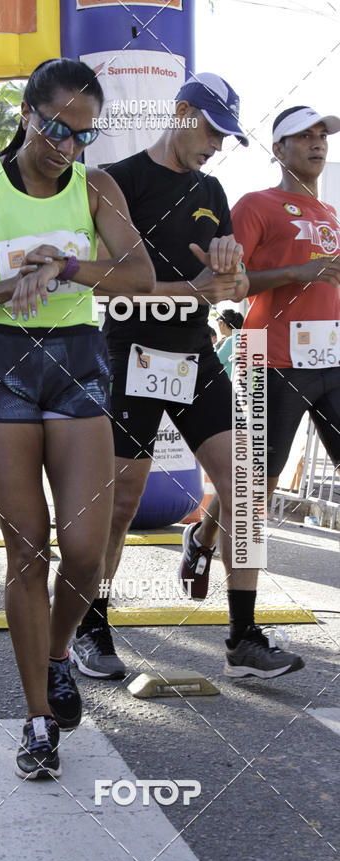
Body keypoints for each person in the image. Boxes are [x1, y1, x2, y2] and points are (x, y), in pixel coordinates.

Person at [0, 57, 155, 779]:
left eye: (83, 134)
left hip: (77, 360)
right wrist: (9, 285)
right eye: (55, 128)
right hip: (1, 365)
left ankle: (57, 654)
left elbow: (140, 276)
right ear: (27, 114)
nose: (67, 145)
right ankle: (38, 718)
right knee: (28, 548)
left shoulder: (96, 186)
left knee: (84, 549)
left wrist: (67, 268)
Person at [67, 72, 304, 682]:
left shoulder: (213, 189)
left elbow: (231, 282)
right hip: (131, 350)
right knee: (120, 501)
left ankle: (243, 637)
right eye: (211, 130)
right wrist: (191, 290)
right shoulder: (116, 181)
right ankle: (92, 622)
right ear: (180, 112)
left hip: (195, 354)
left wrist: (230, 274)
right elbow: (103, 283)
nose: (216, 146)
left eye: (227, 137)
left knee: (244, 485)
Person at [192, 105, 340, 597]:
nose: (318, 143)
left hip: (330, 358)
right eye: (304, 136)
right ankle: (242, 623)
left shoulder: (330, 214)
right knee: (254, 492)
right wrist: (297, 272)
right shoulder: (256, 205)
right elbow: (227, 283)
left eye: (322, 135)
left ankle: (203, 537)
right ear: (278, 149)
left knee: (249, 487)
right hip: (266, 359)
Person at [215, 308, 244, 377]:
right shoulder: (240, 337)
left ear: (222, 323)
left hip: (230, 381)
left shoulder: (231, 340)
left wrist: (217, 346)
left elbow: (215, 362)